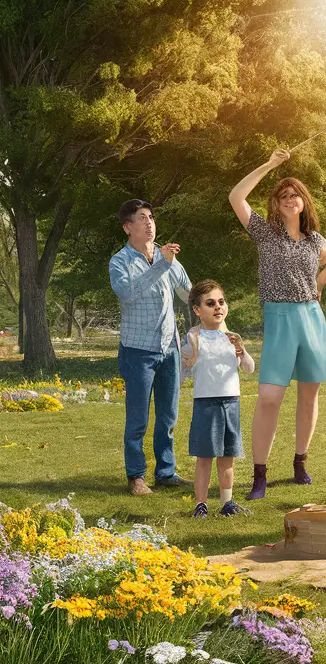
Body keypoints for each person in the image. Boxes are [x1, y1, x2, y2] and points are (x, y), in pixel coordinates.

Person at [229, 150, 326, 500]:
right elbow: (236, 196)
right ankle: (259, 475)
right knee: (269, 398)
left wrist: (319, 285)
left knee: (309, 394)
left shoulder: (314, 240)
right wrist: (270, 165)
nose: (290, 199)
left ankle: (300, 462)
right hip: (279, 318)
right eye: (283, 196)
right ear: (276, 205)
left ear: (304, 202)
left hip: (311, 318)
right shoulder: (265, 232)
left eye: (295, 195)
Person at [108, 199, 192, 496]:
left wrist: (211, 312)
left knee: (168, 417)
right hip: (138, 351)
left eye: (151, 217)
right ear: (127, 227)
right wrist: (161, 266)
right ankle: (136, 476)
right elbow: (127, 293)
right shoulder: (119, 261)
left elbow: (188, 293)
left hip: (170, 348)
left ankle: (166, 472)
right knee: (138, 419)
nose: (149, 223)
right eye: (142, 218)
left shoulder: (166, 256)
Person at [181, 280, 254, 518]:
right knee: (205, 457)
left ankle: (227, 502)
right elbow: (183, 368)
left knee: (227, 457)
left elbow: (249, 369)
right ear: (197, 310)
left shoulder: (231, 337)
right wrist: (188, 360)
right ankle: (200, 504)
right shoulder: (194, 336)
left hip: (231, 402)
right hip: (206, 403)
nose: (218, 307)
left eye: (221, 302)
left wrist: (242, 350)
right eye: (210, 303)